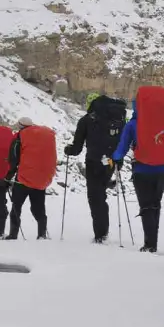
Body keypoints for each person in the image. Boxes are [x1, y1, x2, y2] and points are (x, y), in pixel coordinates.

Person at [111, 86, 164, 253]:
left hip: (142, 169)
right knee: (156, 203)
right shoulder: (162, 122)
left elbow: (122, 147)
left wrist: (116, 159)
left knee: (146, 205)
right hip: (163, 169)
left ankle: (150, 244)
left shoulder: (133, 124)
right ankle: (152, 241)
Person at [64, 93, 127, 243]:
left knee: (95, 198)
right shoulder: (119, 118)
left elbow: (77, 149)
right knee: (101, 194)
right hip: (112, 162)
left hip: (94, 162)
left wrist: (69, 150)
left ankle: (101, 234)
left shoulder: (86, 120)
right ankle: (102, 232)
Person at [6, 117, 57, 240]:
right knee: (38, 207)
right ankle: (41, 234)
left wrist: (8, 176)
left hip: (24, 178)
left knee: (16, 206)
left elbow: (14, 158)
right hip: (42, 178)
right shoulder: (44, 136)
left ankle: (13, 235)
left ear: (21, 126)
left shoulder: (20, 137)